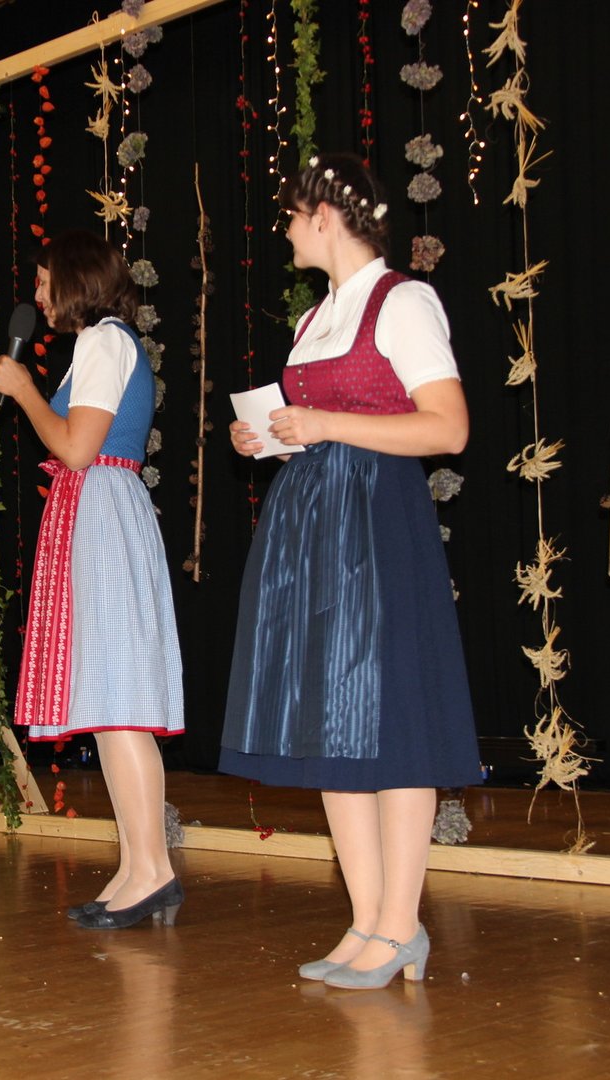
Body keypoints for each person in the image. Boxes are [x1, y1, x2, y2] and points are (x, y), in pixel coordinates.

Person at [221, 154, 483, 987]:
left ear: (324, 217)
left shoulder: (403, 301)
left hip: (377, 520)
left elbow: (447, 429)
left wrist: (326, 423)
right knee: (329, 723)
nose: (285, 231)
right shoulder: (316, 316)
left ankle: (401, 924)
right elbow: (318, 426)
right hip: (315, 524)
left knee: (392, 721)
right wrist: (271, 437)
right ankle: (367, 920)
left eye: (290, 217)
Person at [0, 232, 186, 930]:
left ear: (76, 280)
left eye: (45, 281)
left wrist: (25, 392)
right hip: (97, 511)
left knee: (118, 705)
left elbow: (76, 447)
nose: (38, 295)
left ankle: (153, 870)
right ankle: (137, 867)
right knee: (106, 706)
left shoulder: (104, 341)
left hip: (101, 510)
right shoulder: (99, 344)